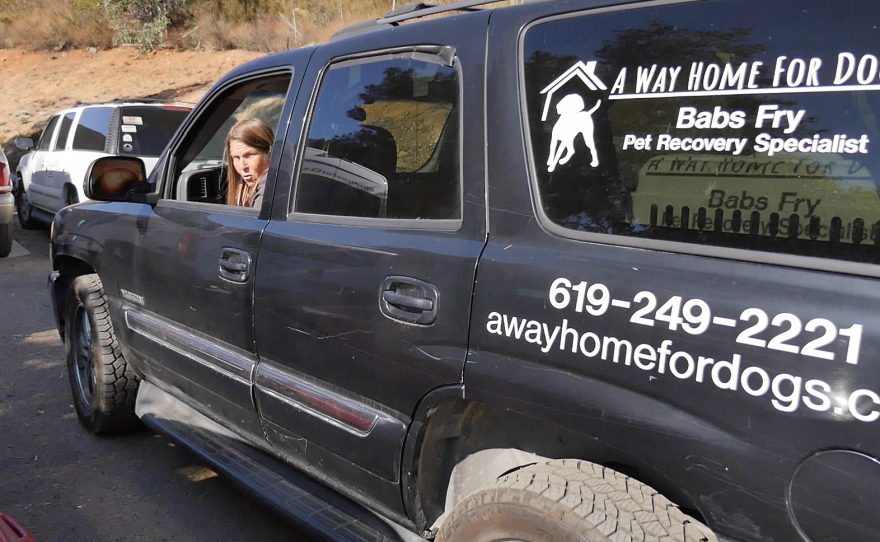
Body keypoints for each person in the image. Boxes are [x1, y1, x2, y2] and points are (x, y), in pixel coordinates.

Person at [225, 118, 274, 207]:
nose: (242, 166)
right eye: (236, 157)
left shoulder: (267, 193)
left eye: (249, 155)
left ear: (269, 153)